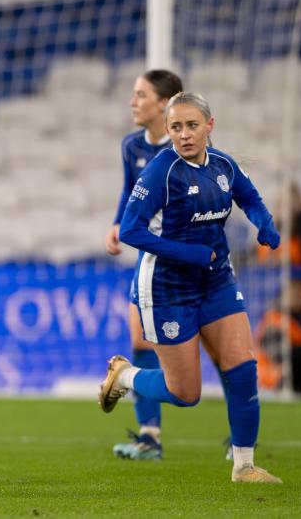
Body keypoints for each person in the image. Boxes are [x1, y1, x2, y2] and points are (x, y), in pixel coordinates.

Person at [98, 92, 283, 483]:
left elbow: (250, 197)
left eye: (192, 126)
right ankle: (126, 377)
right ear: (168, 130)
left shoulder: (222, 165)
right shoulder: (160, 171)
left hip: (216, 280)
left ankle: (244, 466)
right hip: (167, 288)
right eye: (176, 127)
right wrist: (189, 254)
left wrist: (264, 223)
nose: (184, 135)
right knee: (185, 393)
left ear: (209, 127)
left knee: (242, 366)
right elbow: (131, 230)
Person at [105, 69, 182, 461]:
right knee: (139, 340)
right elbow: (127, 189)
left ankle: (242, 442)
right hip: (150, 256)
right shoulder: (132, 146)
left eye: (140, 95)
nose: (133, 102)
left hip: (188, 258)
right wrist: (119, 221)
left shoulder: (185, 147)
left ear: (164, 103)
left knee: (223, 352)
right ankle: (150, 436)